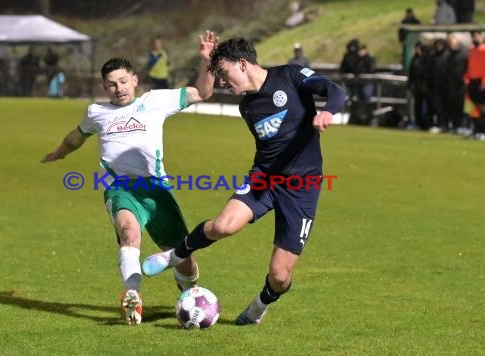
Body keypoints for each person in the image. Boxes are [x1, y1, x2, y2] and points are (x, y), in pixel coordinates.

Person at [142, 36, 346, 326]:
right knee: (223, 225)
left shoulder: (289, 75)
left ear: (243, 64)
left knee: (280, 276)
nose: (224, 82)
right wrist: (208, 61)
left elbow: (334, 89)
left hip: (302, 187)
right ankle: (174, 256)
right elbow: (270, 147)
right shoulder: (247, 107)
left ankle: (259, 306)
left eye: (224, 74)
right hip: (264, 178)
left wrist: (328, 111)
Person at [41, 31, 218, 325]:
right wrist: (58, 152)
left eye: (123, 81)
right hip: (120, 189)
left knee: (184, 261)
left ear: (134, 80)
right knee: (129, 233)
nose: (118, 88)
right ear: (104, 87)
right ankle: (132, 298)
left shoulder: (156, 101)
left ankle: (189, 293)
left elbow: (203, 92)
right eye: (111, 84)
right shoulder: (96, 112)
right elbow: (76, 137)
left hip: (156, 190)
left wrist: (206, 61)